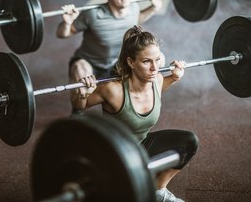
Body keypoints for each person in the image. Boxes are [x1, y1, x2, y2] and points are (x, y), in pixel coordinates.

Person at [72, 26, 199, 202]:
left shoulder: (157, 80)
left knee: (188, 142)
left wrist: (175, 77)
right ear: (131, 62)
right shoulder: (112, 90)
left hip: (140, 146)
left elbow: (162, 86)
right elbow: (79, 109)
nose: (154, 68)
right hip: (113, 155)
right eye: (147, 61)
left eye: (157, 59)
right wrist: (83, 94)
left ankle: (158, 191)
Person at [56, 0, 164, 84]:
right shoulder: (92, 14)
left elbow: (136, 19)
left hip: (118, 63)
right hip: (90, 64)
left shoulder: (134, 8)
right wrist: (67, 22)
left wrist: (153, 8)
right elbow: (62, 34)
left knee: (160, 58)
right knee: (80, 69)